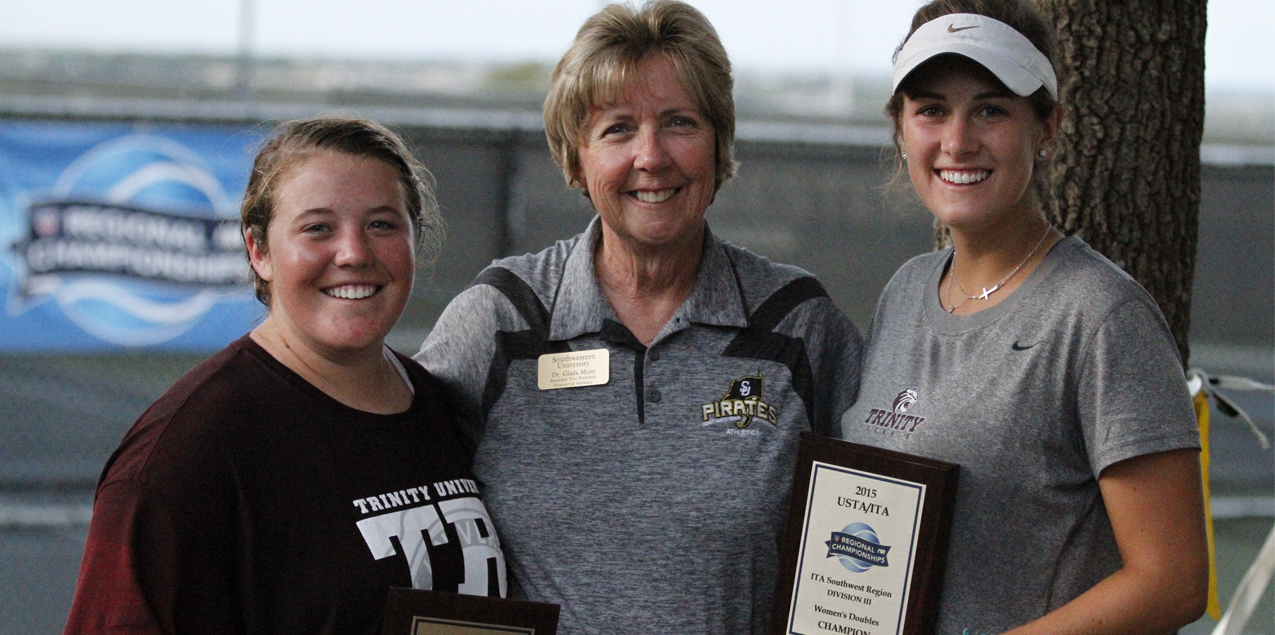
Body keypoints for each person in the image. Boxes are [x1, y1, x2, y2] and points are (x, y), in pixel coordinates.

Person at [414, 2, 862, 633]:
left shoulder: (797, 326)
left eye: (679, 123)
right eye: (618, 129)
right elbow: (380, 481)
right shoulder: (501, 320)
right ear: (578, 158)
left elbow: (879, 538)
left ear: (718, 143)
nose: (651, 157)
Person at [839, 1, 1208, 633]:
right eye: (931, 109)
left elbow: (1172, 582)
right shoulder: (905, 293)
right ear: (901, 130)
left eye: (991, 109)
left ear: (1048, 127)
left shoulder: (1100, 317)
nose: (958, 141)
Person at [63, 117, 506, 635]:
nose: (354, 253)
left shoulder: (441, 404)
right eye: (318, 227)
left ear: (414, 239)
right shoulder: (186, 452)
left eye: (382, 224)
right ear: (259, 251)